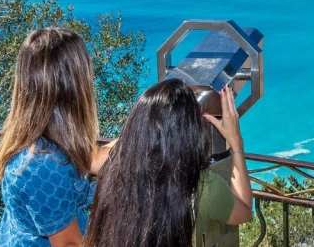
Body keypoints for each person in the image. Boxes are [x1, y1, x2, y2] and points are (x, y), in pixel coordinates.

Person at [85, 80, 253, 246]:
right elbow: (244, 211)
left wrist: (142, 133)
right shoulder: (203, 186)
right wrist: (236, 142)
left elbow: (90, 160)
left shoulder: (115, 162)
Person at [0, 28, 117, 247]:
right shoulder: (43, 164)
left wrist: (142, 130)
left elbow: (96, 160)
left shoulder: (54, 141)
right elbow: (69, 244)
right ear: (74, 85)